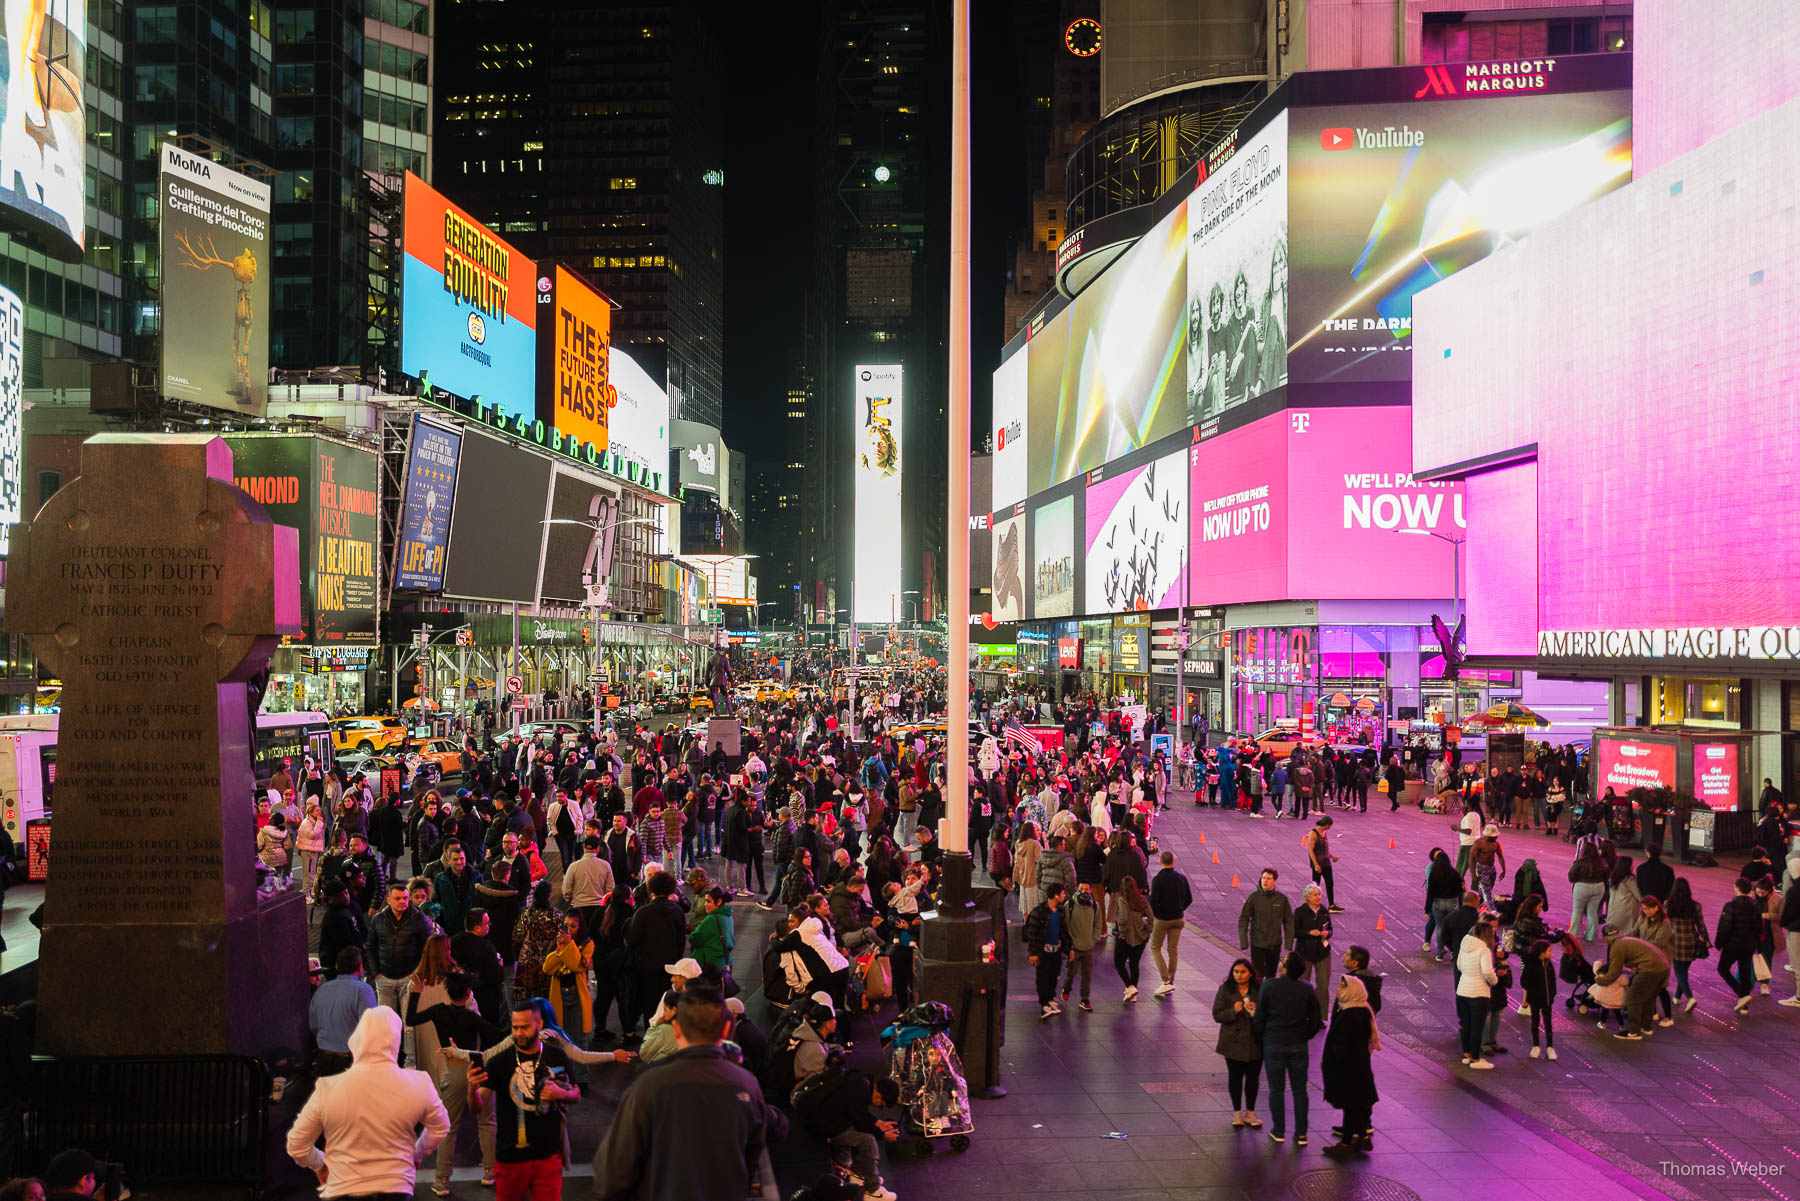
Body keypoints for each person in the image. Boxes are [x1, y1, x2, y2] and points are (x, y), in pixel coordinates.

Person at [591, 987, 770, 1201]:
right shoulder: (746, 1085)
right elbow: (754, 1151)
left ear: (676, 1030)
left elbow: (614, 1169)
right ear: (725, 1031)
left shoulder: (649, 1085)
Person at [286, 1007, 450, 1198]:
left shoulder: (328, 1087)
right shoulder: (419, 1082)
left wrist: (320, 1163)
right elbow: (441, 1127)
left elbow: (297, 1145)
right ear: (396, 1041)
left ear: (358, 1039)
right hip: (396, 1188)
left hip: (342, 1189)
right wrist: (416, 1154)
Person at [467, 1001, 580, 1201]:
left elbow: (576, 1094)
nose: (519, 1033)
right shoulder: (498, 1062)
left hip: (548, 1156)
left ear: (539, 1023)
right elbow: (477, 1107)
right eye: (515, 1027)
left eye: (525, 1027)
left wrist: (560, 1094)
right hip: (511, 1159)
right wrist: (471, 1089)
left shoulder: (557, 1056)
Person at [1252, 952, 1324, 1146]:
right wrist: (1305, 1035)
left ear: (1284, 969)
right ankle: (1301, 1133)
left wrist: (1262, 1037)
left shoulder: (1269, 985)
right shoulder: (1307, 988)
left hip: (1274, 1042)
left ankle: (1279, 1130)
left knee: (1276, 1090)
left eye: (1282, 960)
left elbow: (1259, 1016)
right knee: (1300, 1090)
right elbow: (1316, 1020)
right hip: (1298, 1044)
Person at [1320, 975, 1380, 1158]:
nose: (1338, 989)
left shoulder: (1352, 1014)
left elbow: (1343, 1043)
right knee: (1356, 1103)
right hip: (1357, 1066)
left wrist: (1330, 1060)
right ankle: (1362, 1137)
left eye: (1342, 986)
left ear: (1352, 990)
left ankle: (1346, 1143)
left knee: (1351, 1104)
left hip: (1350, 1068)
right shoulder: (1357, 1009)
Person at [1593, 924, 1671, 1039]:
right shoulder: (1624, 940)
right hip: (1663, 966)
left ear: (1604, 938)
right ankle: (1646, 1027)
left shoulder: (1617, 947)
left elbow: (1614, 973)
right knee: (1649, 997)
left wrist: (1599, 979)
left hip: (1650, 968)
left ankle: (1633, 1031)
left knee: (1632, 998)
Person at [366, 880, 431, 1015]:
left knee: (409, 1025)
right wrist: (376, 973)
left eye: (405, 898)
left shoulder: (419, 919)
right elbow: (370, 947)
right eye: (398, 898)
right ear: (389, 900)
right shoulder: (378, 920)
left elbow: (428, 948)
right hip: (384, 978)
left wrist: (418, 972)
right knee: (384, 1023)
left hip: (409, 979)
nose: (402, 901)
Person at [1212, 958, 1263, 1129]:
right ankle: (1236, 1112)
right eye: (1236, 972)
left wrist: (1255, 1012)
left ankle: (1250, 1111)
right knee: (1235, 1077)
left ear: (1250, 974)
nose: (1239, 975)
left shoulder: (1259, 990)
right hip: (1232, 1042)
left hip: (1254, 1041)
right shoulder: (1225, 990)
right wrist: (1234, 1010)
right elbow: (1217, 1014)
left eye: (1242, 972)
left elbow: (1267, 1014)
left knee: (1253, 1078)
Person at [309, 947, 376, 1077]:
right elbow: (370, 1030)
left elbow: (313, 1026)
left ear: (337, 966)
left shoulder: (321, 990)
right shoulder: (363, 991)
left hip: (323, 1061)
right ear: (360, 967)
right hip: (351, 1064)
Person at [1024, 883, 1074, 1020]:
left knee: (1054, 976)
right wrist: (1033, 953)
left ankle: (1050, 998)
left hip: (1056, 951)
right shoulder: (1039, 912)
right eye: (1062, 894)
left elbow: (1064, 931)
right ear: (1056, 895)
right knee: (1043, 978)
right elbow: (1032, 934)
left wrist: (1069, 948)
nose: (1064, 896)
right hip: (1043, 952)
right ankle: (1044, 1004)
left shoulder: (1061, 910)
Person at [1454, 921, 1500, 1069]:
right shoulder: (1484, 950)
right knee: (1477, 1027)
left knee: (1466, 1025)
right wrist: (1494, 981)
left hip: (1463, 990)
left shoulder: (1465, 946)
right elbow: (1487, 971)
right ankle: (1476, 1059)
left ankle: (1467, 1055)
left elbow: (1459, 966)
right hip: (1478, 992)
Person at [1148, 850, 1193, 998]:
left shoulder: (1157, 880)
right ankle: (1171, 979)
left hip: (1162, 919)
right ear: (1173, 861)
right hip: (1178, 918)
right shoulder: (1181, 878)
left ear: (1161, 862)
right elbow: (1189, 898)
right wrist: (1180, 909)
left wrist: (1156, 914)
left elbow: (1153, 901)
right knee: (1173, 949)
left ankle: (1165, 980)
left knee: (1155, 947)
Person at [1716, 877, 1764, 1015]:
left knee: (1723, 969)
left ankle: (1742, 994)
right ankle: (1744, 1007)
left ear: (1736, 887)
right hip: (1749, 944)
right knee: (1744, 971)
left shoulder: (1730, 905)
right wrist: (1756, 942)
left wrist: (1719, 943)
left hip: (1733, 945)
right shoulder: (1755, 905)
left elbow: (1724, 927)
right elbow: (1759, 927)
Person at [1237, 867, 1294, 982]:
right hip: (1257, 943)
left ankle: (1267, 998)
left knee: (1271, 976)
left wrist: (1289, 944)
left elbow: (1288, 921)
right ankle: (1257, 998)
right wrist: (1244, 941)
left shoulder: (1281, 899)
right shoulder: (1254, 897)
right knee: (1257, 975)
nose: (1265, 881)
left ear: (1275, 881)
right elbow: (1243, 919)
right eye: (1263, 878)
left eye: (1268, 878)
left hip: (1274, 944)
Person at [1665, 877, 1707, 1014]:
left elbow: (1665, 924)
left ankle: (1690, 998)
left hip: (1675, 942)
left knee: (1679, 972)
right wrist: (1706, 939)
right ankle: (1677, 997)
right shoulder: (1695, 905)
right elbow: (1700, 925)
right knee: (1683, 971)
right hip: (1691, 942)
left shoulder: (1668, 904)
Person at [562, 836, 615, 941]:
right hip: (599, 909)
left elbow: (566, 891)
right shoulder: (605, 865)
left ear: (583, 847)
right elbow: (610, 891)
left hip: (579, 909)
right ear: (598, 848)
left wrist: (570, 898)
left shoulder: (574, 866)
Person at [1294, 884, 1334, 1016]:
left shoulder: (1323, 910)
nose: (1318, 897)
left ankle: (1321, 1016)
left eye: (1319, 894)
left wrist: (1327, 933)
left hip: (1322, 952)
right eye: (1314, 895)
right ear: (1307, 897)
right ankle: (1301, 1014)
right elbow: (1294, 932)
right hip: (1304, 953)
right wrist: (1309, 932)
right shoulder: (1300, 912)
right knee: (1303, 985)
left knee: (1323, 986)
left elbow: (1331, 929)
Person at [1060, 885, 1101, 1011]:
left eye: (1087, 889)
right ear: (1077, 889)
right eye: (1081, 888)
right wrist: (1071, 942)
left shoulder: (1095, 906)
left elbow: (1097, 924)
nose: (1084, 891)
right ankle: (1066, 988)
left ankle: (1085, 999)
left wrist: (1093, 940)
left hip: (1088, 947)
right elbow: (1065, 925)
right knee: (1071, 973)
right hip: (1075, 947)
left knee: (1087, 975)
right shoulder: (1070, 905)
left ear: (1090, 890)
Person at [1112, 875, 1152, 1003]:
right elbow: (1152, 918)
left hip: (1126, 937)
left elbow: (1123, 919)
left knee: (1119, 963)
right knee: (1134, 964)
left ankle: (1130, 987)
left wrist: (1122, 932)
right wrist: (1146, 932)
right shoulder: (1143, 900)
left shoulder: (1122, 900)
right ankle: (1133, 995)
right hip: (1141, 939)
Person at [1423, 848, 1464, 961]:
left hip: (1438, 903)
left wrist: (1427, 909)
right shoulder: (1454, 873)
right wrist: (1460, 905)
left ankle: (1440, 953)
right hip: (1452, 903)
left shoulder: (1433, 874)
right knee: (1452, 928)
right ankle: (1453, 952)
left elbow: (1430, 893)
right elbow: (1459, 890)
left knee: (1440, 927)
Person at [1568, 843, 1608, 941]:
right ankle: (1590, 935)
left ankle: (1573, 935)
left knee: (1577, 911)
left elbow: (1571, 876)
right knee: (1593, 911)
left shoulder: (1579, 862)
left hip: (1582, 886)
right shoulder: (1601, 863)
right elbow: (1606, 876)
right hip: (1599, 886)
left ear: (1584, 851)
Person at [1304, 817, 1342, 912]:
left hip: (1326, 863)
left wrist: (1331, 856)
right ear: (1326, 825)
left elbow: (1324, 849)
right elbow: (1311, 851)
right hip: (1318, 864)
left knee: (1330, 883)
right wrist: (1316, 864)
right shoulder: (1313, 834)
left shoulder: (1324, 832)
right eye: (1329, 826)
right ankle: (1311, 905)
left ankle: (1331, 905)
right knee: (1315, 885)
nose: (1330, 828)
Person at [1469, 824, 1506, 909]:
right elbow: (1471, 858)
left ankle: (1474, 904)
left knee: (1484, 890)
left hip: (1491, 869)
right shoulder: (1479, 843)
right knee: (1487, 891)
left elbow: (1500, 856)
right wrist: (1473, 874)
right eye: (1493, 837)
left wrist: (1504, 870)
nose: (1495, 838)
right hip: (1481, 868)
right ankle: (1492, 910)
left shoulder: (1496, 844)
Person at [1451, 798, 1482, 881]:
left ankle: (1456, 885)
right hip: (1476, 843)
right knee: (1474, 869)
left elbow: (1468, 831)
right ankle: (1475, 890)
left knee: (1460, 867)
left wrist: (1457, 828)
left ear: (1469, 805)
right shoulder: (1476, 815)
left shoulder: (1468, 817)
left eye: (1465, 804)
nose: (1463, 806)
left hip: (1467, 845)